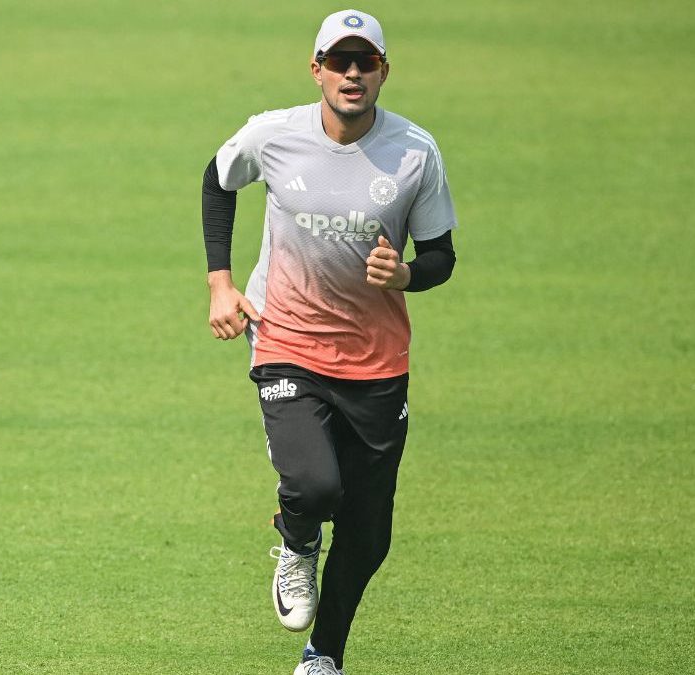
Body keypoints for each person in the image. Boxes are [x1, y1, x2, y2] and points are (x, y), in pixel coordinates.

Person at [201, 9, 458, 675]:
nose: (351, 73)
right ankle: (295, 537)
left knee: (369, 531)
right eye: (338, 61)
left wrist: (405, 273)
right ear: (315, 69)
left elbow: (440, 256)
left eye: (364, 62)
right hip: (287, 339)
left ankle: (324, 657)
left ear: (382, 72)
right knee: (314, 485)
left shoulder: (414, 153)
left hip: (377, 363)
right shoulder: (276, 135)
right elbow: (218, 177)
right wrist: (221, 286)